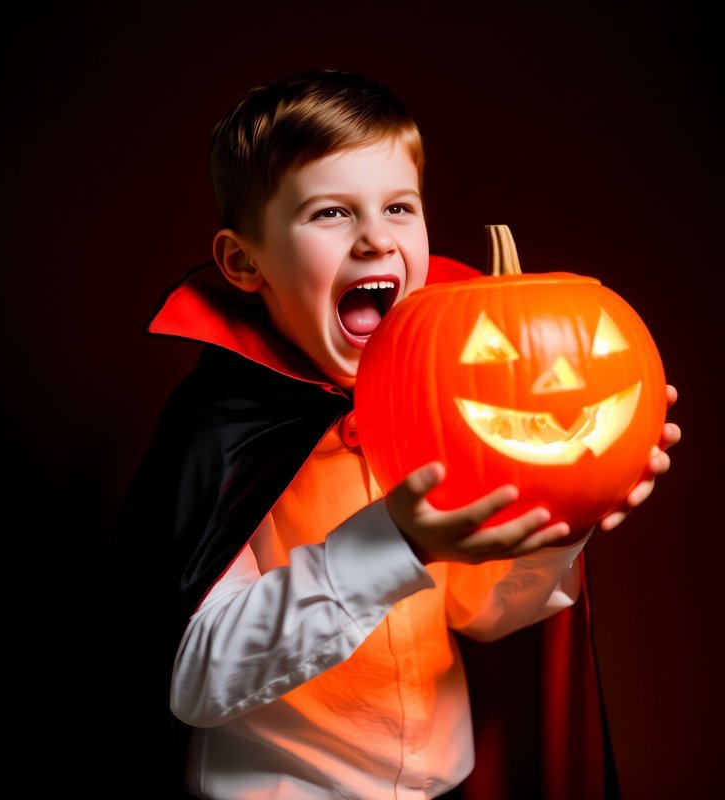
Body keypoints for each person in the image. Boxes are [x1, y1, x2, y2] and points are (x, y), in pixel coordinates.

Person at [104, 68, 680, 799]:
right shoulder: (219, 431)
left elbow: (482, 613)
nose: (377, 239)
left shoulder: (447, 405)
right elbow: (198, 679)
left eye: (399, 207)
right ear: (244, 262)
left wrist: (566, 517)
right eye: (330, 214)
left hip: (447, 782)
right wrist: (392, 545)